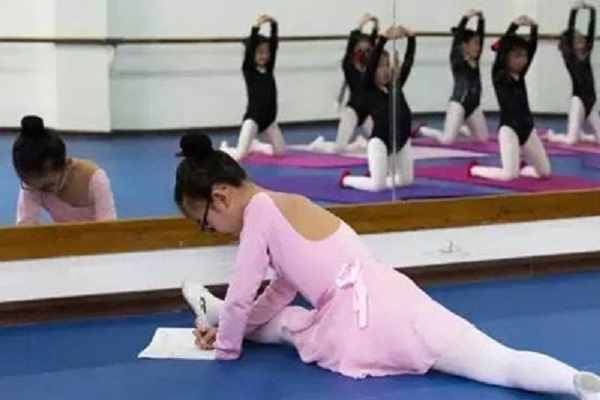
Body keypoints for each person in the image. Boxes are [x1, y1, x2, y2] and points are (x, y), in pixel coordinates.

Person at [175, 132, 600, 399]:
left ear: (220, 197)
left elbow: (243, 293)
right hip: (395, 294)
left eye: (205, 224)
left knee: (288, 324)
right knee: (498, 362)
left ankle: (213, 310)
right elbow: (280, 288)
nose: (212, 232)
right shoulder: (288, 203)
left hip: (357, 318)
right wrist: (230, 327)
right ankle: (577, 382)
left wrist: (226, 348)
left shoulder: (258, 215)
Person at [469, 16, 551, 181]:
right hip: (509, 129)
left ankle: (522, 168)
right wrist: (514, 25)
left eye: (524, 57)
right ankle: (475, 169)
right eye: (517, 56)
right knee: (509, 175)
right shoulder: (500, 75)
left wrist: (534, 28)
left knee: (544, 173)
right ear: (506, 56)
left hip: (527, 129)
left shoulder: (520, 75)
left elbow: (532, 49)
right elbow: (504, 47)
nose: (522, 61)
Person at [340, 25, 416, 192]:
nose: (385, 70)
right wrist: (382, 39)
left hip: (401, 141)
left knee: (406, 181)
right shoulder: (369, 89)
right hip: (380, 143)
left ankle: (378, 175)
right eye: (380, 67)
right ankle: (347, 179)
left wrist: (411, 39)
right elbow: (372, 61)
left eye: (387, 65)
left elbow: (408, 63)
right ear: (372, 70)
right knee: (377, 187)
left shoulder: (395, 86)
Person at [12, 115, 116, 224]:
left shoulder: (95, 179)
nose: (40, 190)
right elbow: (26, 225)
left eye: (49, 185)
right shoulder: (32, 184)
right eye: (30, 185)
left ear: (64, 165)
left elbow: (108, 226)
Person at [309, 13, 378, 154]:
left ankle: (360, 142)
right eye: (360, 50)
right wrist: (360, 25)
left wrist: (376, 25)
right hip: (352, 111)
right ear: (355, 51)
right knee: (339, 148)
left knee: (380, 143)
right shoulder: (348, 65)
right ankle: (319, 144)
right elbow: (351, 43)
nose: (364, 53)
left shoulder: (370, 68)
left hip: (367, 112)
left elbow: (374, 45)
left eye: (367, 51)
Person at [219, 14, 284, 161]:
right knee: (240, 155)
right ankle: (225, 149)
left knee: (280, 153)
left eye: (266, 52)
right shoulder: (249, 69)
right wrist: (256, 26)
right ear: (252, 53)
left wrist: (274, 25)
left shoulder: (268, 68)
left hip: (269, 119)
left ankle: (257, 145)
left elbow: (274, 46)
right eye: (260, 52)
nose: (264, 56)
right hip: (253, 118)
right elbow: (251, 49)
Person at [419, 9, 489, 144]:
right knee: (447, 140)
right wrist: (466, 17)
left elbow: (481, 35)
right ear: (465, 45)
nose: (478, 47)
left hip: (473, 106)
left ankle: (462, 129)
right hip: (459, 104)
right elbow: (457, 38)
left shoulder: (475, 59)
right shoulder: (457, 59)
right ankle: (425, 130)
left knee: (482, 139)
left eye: (479, 44)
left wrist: (481, 19)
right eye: (475, 43)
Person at [547, 0, 600, 145]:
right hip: (579, 101)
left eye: (581, 37)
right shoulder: (570, 57)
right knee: (571, 140)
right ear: (571, 43)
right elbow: (570, 29)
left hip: (591, 101)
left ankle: (581, 135)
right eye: (577, 39)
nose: (581, 39)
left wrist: (592, 11)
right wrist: (575, 10)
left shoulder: (586, 54)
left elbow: (591, 31)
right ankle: (552, 136)